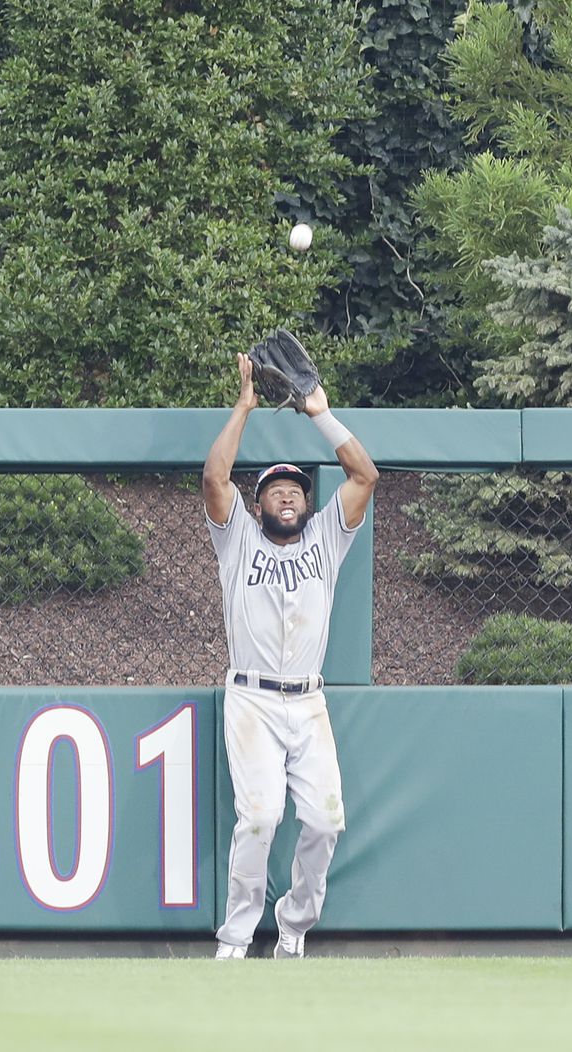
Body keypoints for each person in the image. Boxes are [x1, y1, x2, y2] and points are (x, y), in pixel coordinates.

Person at [202, 351, 379, 959]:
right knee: (259, 819)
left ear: (307, 502)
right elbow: (213, 479)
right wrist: (245, 405)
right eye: (275, 489)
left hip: (308, 701)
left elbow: (364, 478)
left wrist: (321, 415)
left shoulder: (327, 539)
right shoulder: (238, 539)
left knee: (326, 821)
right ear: (259, 505)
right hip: (251, 698)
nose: (287, 496)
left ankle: (295, 926)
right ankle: (235, 936)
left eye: (295, 490)